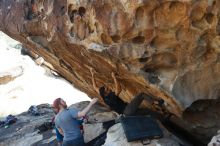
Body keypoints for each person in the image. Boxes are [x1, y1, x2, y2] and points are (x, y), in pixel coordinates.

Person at [90, 68, 165, 116]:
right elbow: (118, 89)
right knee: (142, 95)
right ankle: (157, 103)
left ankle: (163, 118)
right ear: (106, 93)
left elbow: (95, 86)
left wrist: (92, 74)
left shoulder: (103, 96)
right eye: (107, 89)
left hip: (127, 114)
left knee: (147, 111)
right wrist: (114, 77)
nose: (109, 88)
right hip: (127, 110)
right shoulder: (110, 97)